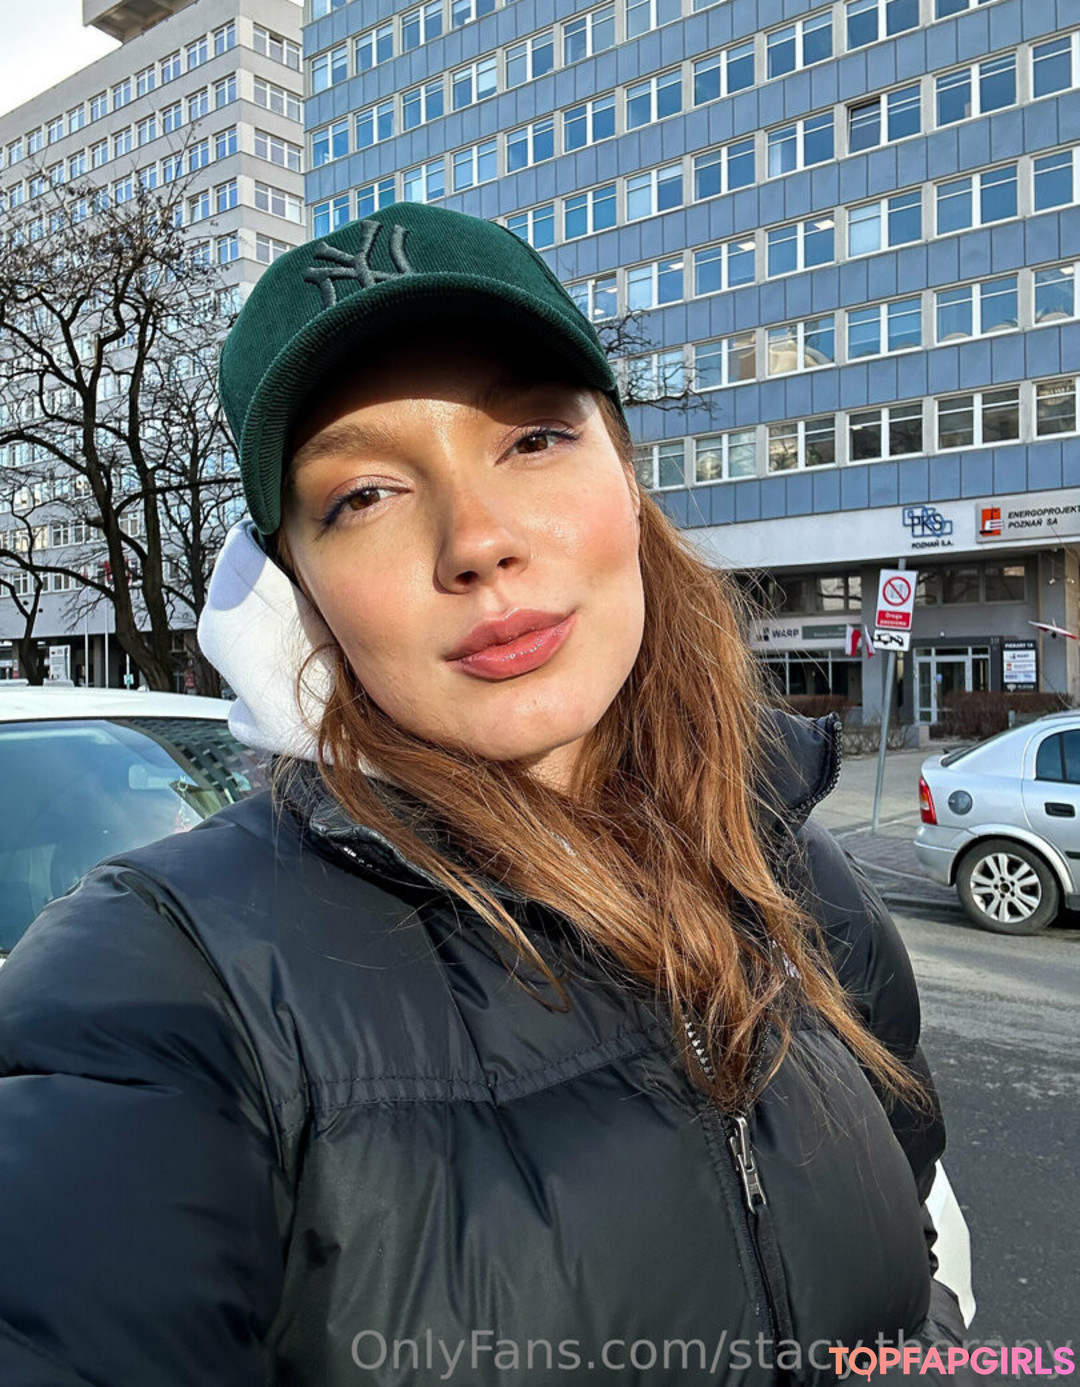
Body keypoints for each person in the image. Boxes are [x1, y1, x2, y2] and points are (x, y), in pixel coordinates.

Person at [0, 203, 978, 1387]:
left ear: (627, 476)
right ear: (294, 585)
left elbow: (914, 1242)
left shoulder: (788, 861)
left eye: (534, 439)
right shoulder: (162, 980)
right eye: (364, 494)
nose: (477, 539)